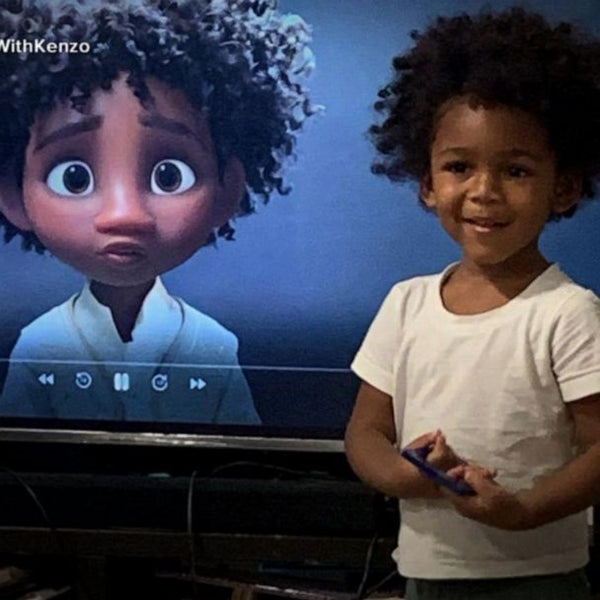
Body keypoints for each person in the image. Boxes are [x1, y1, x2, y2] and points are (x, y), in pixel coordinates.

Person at [345, 7, 600, 600]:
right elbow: (364, 432)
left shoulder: (568, 313)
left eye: (515, 169)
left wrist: (526, 509)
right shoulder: (406, 304)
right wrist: (408, 476)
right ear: (428, 181)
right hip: (426, 576)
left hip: (541, 580)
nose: (483, 192)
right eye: (459, 167)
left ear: (562, 187)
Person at [0, 0, 316, 423]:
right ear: (13, 196)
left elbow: (244, 460)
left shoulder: (213, 345)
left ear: (227, 194)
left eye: (170, 176)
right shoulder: (38, 347)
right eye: (73, 178)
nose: (124, 214)